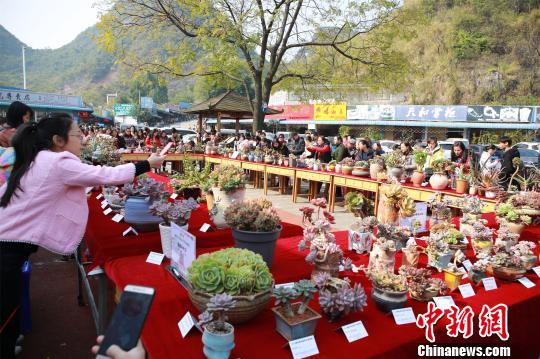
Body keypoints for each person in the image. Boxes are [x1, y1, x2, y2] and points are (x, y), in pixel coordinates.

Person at [0, 113, 164, 359]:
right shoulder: (58, 162)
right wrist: (147, 164)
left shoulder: (38, 158)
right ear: (58, 140)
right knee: (6, 310)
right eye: (78, 135)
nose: (83, 140)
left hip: (9, 246)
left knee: (8, 309)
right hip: (6, 252)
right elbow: (105, 175)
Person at [0, 102, 34, 187]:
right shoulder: (11, 134)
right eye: (27, 118)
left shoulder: (4, 133)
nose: (28, 121)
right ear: (18, 117)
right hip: (12, 175)